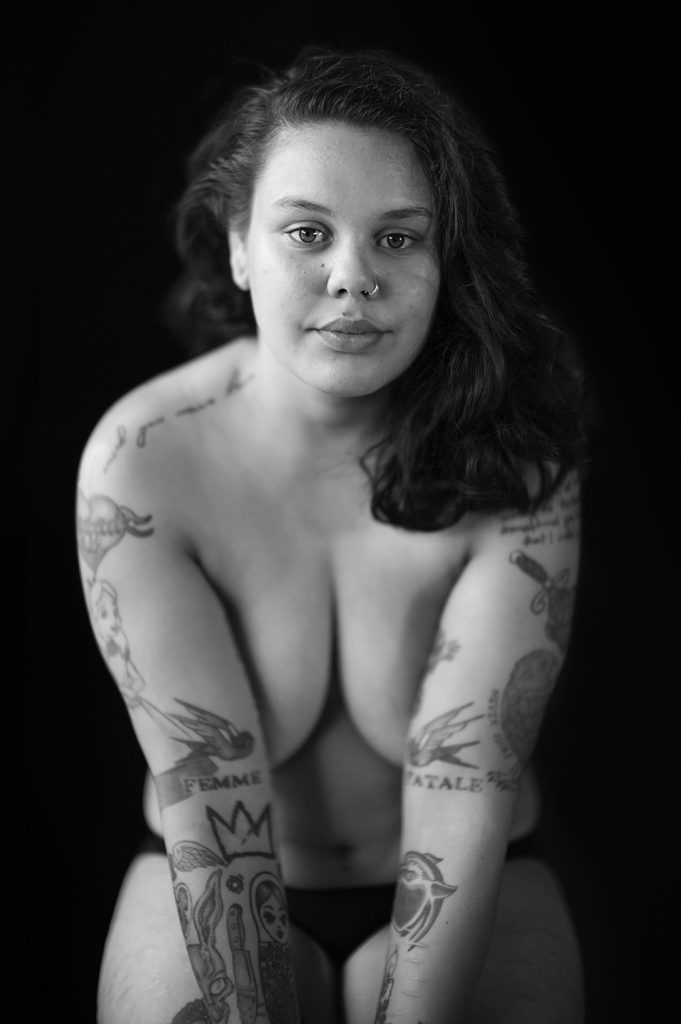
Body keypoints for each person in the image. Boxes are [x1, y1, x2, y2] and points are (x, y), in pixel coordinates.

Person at [76, 45, 592, 1024]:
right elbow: (211, 806)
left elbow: (464, 793)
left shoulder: (517, 460)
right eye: (307, 232)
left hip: (473, 872)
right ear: (239, 246)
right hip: (207, 871)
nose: (353, 277)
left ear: (446, 260)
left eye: (399, 238)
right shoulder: (142, 464)